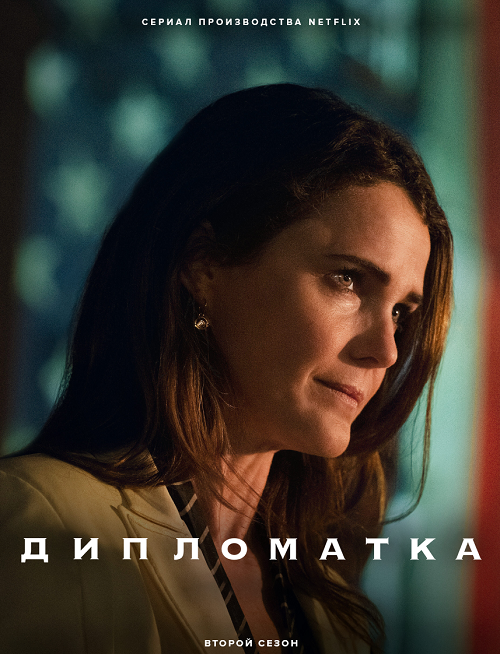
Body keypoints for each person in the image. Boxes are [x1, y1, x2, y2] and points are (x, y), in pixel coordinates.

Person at [0, 84, 453, 654]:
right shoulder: (39, 521)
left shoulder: (333, 612)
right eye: (348, 279)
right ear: (203, 265)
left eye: (401, 311)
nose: (386, 350)